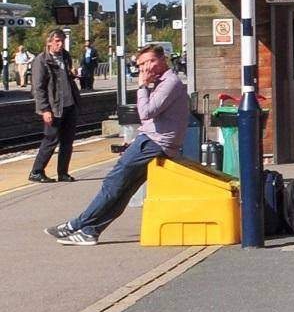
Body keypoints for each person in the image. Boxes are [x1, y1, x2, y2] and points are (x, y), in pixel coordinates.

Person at [48, 43, 187, 245]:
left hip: (154, 143)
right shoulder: (160, 82)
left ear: (162, 60)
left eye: (151, 61)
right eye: (141, 64)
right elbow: (152, 120)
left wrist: (141, 85)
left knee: (113, 183)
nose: (146, 68)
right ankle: (90, 231)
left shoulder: (169, 83)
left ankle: (77, 224)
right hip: (152, 141)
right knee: (124, 190)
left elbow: (146, 112)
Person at [29, 28, 78, 183]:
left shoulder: (65, 57)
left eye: (62, 41)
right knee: (51, 139)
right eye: (57, 41)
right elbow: (38, 88)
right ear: (49, 42)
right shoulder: (41, 60)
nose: (60, 44)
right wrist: (44, 109)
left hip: (69, 103)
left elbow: (65, 78)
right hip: (54, 107)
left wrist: (72, 74)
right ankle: (36, 171)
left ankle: (63, 172)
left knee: (67, 141)